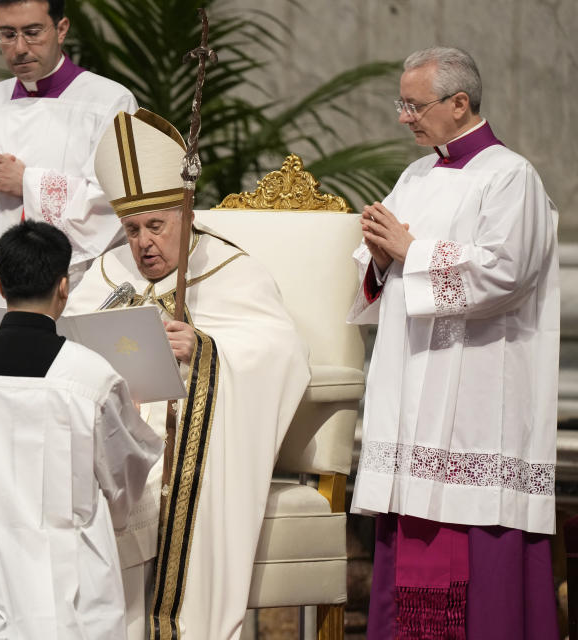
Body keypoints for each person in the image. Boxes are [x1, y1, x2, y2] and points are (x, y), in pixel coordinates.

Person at [65, 109, 311, 640]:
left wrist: (206, 350)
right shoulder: (107, 274)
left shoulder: (230, 269)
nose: (143, 243)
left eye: (156, 225)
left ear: (187, 209)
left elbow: (282, 353)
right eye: (132, 229)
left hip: (195, 454)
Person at [349, 47, 559, 639]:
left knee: (475, 547)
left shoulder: (510, 176)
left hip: (476, 393)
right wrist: (380, 258)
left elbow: (504, 274)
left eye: (413, 105)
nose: (403, 117)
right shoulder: (415, 175)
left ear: (459, 103)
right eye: (402, 104)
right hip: (414, 383)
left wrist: (409, 251)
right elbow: (376, 262)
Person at [0, 220, 162, 639]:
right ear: (63, 286)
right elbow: (124, 477)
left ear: (0, 285)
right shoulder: (92, 378)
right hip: (68, 580)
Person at [0, 0, 137, 345]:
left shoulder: (109, 102)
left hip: (68, 283)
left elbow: (115, 202)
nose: (20, 48)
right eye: (7, 35)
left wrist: (26, 183)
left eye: (32, 32)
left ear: (62, 28)